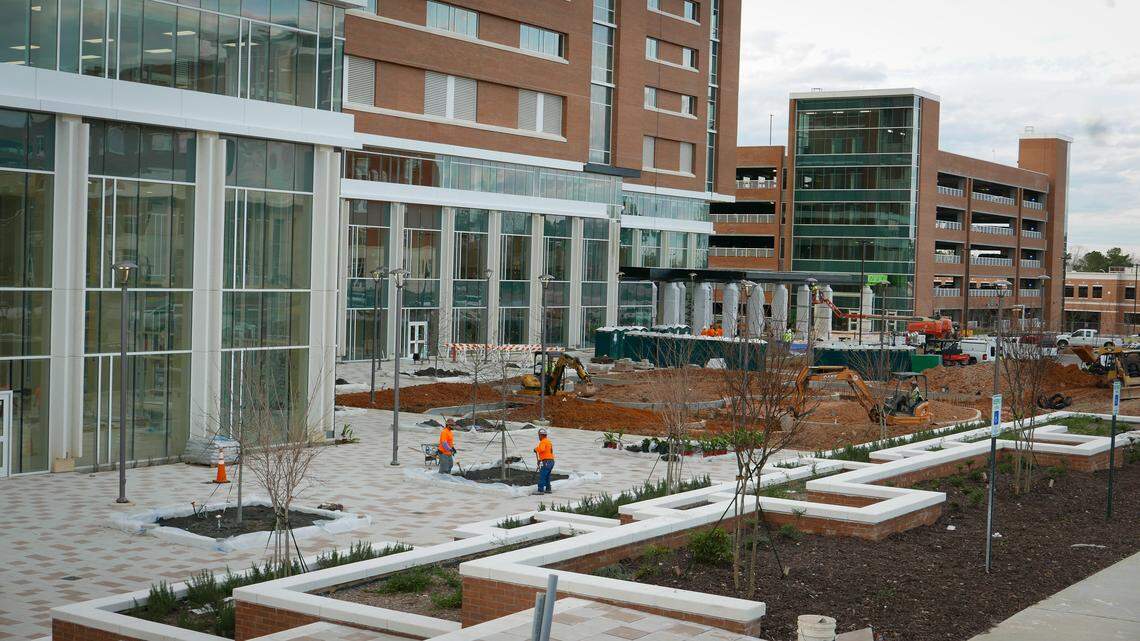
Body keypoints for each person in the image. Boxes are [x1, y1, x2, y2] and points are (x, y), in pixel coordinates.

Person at [533, 428, 555, 494]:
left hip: (546, 462)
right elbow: (547, 452)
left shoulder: (543, 442)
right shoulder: (549, 442)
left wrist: (536, 449)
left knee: (542, 475)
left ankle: (540, 490)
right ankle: (548, 489)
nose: (539, 437)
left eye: (539, 435)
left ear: (542, 435)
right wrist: (540, 460)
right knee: (547, 476)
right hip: (551, 461)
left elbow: (542, 449)